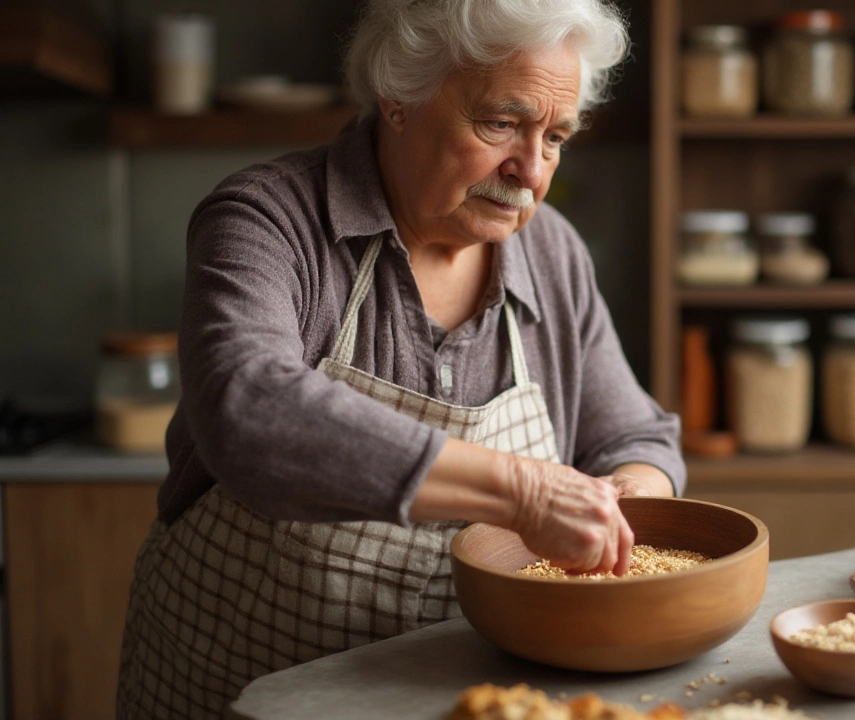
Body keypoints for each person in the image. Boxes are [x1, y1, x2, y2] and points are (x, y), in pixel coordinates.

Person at [116, 1, 683, 717]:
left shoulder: (553, 251)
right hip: (232, 685)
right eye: (502, 123)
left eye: (556, 136)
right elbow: (248, 407)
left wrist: (623, 501)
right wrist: (527, 494)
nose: (530, 170)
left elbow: (634, 438)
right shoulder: (266, 218)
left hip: (465, 697)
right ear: (400, 97)